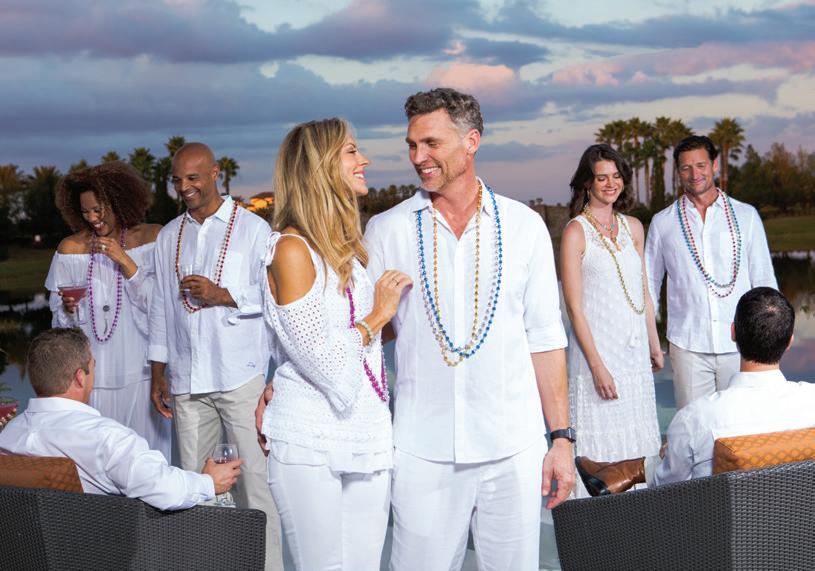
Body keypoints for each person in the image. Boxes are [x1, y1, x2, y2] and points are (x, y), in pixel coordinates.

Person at [363, 87, 574, 570]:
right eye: (412, 145)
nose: (418, 157)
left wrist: (561, 439)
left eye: (431, 143)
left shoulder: (524, 226)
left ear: (471, 141)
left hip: (512, 447)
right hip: (421, 449)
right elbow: (369, 333)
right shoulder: (388, 229)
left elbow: (545, 339)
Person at [253, 118, 410, 571]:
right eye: (351, 151)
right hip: (309, 439)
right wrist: (377, 316)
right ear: (320, 165)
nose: (365, 160)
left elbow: (361, 342)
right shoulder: (291, 249)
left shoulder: (348, 249)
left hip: (367, 430)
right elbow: (324, 361)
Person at [148, 143, 282, 569]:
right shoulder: (169, 235)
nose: (184, 187)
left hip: (240, 376)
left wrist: (222, 294)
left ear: (215, 173)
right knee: (194, 486)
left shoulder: (254, 229)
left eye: (192, 177)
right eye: (177, 180)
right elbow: (160, 306)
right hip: (186, 380)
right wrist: (158, 371)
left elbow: (274, 295)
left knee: (255, 485)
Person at [575, 287, 815, 495]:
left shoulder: (697, 418)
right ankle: (619, 471)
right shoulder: (809, 401)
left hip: (717, 532)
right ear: (789, 341)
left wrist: (675, 449)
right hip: (801, 531)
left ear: (733, 333)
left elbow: (666, 489)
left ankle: (622, 471)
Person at [0, 328, 241, 511]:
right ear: (80, 377)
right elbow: (166, 491)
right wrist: (209, 482)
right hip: (103, 549)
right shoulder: (107, 439)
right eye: (93, 366)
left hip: (27, 552)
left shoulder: (9, 435)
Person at [45, 162, 170, 460]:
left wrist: (124, 260)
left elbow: (161, 307)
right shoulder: (69, 249)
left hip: (142, 373)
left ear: (119, 202)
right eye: (85, 211)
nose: (92, 218)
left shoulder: (152, 238)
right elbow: (58, 320)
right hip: (93, 378)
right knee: (99, 460)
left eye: (98, 210)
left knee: (147, 460)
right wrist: (68, 308)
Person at [645, 135, 777, 410]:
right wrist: (650, 339)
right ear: (678, 171)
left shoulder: (746, 216)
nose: (694, 174)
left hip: (741, 346)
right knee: (694, 426)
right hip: (687, 346)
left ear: (714, 165)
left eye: (701, 165)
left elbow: (764, 280)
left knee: (741, 425)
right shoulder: (662, 223)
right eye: (686, 168)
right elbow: (649, 284)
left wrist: (770, 338)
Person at [561, 144, 662, 498]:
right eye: (601, 177)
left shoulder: (633, 227)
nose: (610, 184)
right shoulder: (575, 232)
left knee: (638, 439)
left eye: (616, 176)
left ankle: (641, 519)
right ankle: (596, 523)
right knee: (600, 444)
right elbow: (574, 308)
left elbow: (643, 291)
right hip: (598, 356)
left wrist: (654, 343)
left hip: (633, 357)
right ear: (587, 183)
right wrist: (597, 367)